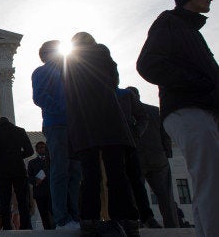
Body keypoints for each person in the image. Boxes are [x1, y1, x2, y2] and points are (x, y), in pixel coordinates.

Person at [137, 0, 218, 237]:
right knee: (211, 180)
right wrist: (197, 85)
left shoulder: (190, 30)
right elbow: (148, 64)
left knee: (209, 182)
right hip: (188, 109)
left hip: (201, 110)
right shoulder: (169, 22)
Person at [64, 32, 139, 237]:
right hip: (108, 118)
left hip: (84, 122)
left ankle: (89, 221)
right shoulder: (101, 51)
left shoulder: (68, 61)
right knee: (116, 172)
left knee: (90, 175)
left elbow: (68, 90)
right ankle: (125, 221)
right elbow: (114, 80)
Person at [31, 40, 82, 230]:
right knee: (60, 170)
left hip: (74, 125)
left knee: (75, 170)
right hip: (56, 124)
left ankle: (74, 216)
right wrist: (63, 109)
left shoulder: (69, 72)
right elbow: (40, 97)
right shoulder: (42, 72)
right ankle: (62, 219)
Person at [127, 86, 179, 228]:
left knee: (136, 193)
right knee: (166, 196)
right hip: (158, 157)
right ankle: (172, 227)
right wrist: (167, 152)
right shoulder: (155, 111)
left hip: (137, 158)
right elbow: (166, 134)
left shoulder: (126, 113)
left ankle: (140, 224)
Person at [116, 86, 162, 228]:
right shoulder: (101, 94)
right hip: (111, 145)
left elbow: (142, 117)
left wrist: (135, 134)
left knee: (136, 182)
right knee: (120, 182)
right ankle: (127, 217)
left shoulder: (125, 95)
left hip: (129, 144)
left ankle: (146, 216)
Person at [0, 117, 34, 230]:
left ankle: (7, 227)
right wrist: (17, 156)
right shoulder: (20, 130)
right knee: (23, 200)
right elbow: (30, 151)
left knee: (5, 202)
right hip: (19, 170)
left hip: (2, 172)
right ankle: (26, 226)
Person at [28, 142, 55, 230]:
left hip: (52, 192)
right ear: (36, 150)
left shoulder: (51, 160)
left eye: (43, 147)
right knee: (44, 215)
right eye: (39, 147)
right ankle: (47, 231)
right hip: (40, 192)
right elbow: (29, 177)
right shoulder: (32, 163)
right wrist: (35, 180)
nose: (41, 149)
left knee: (53, 213)